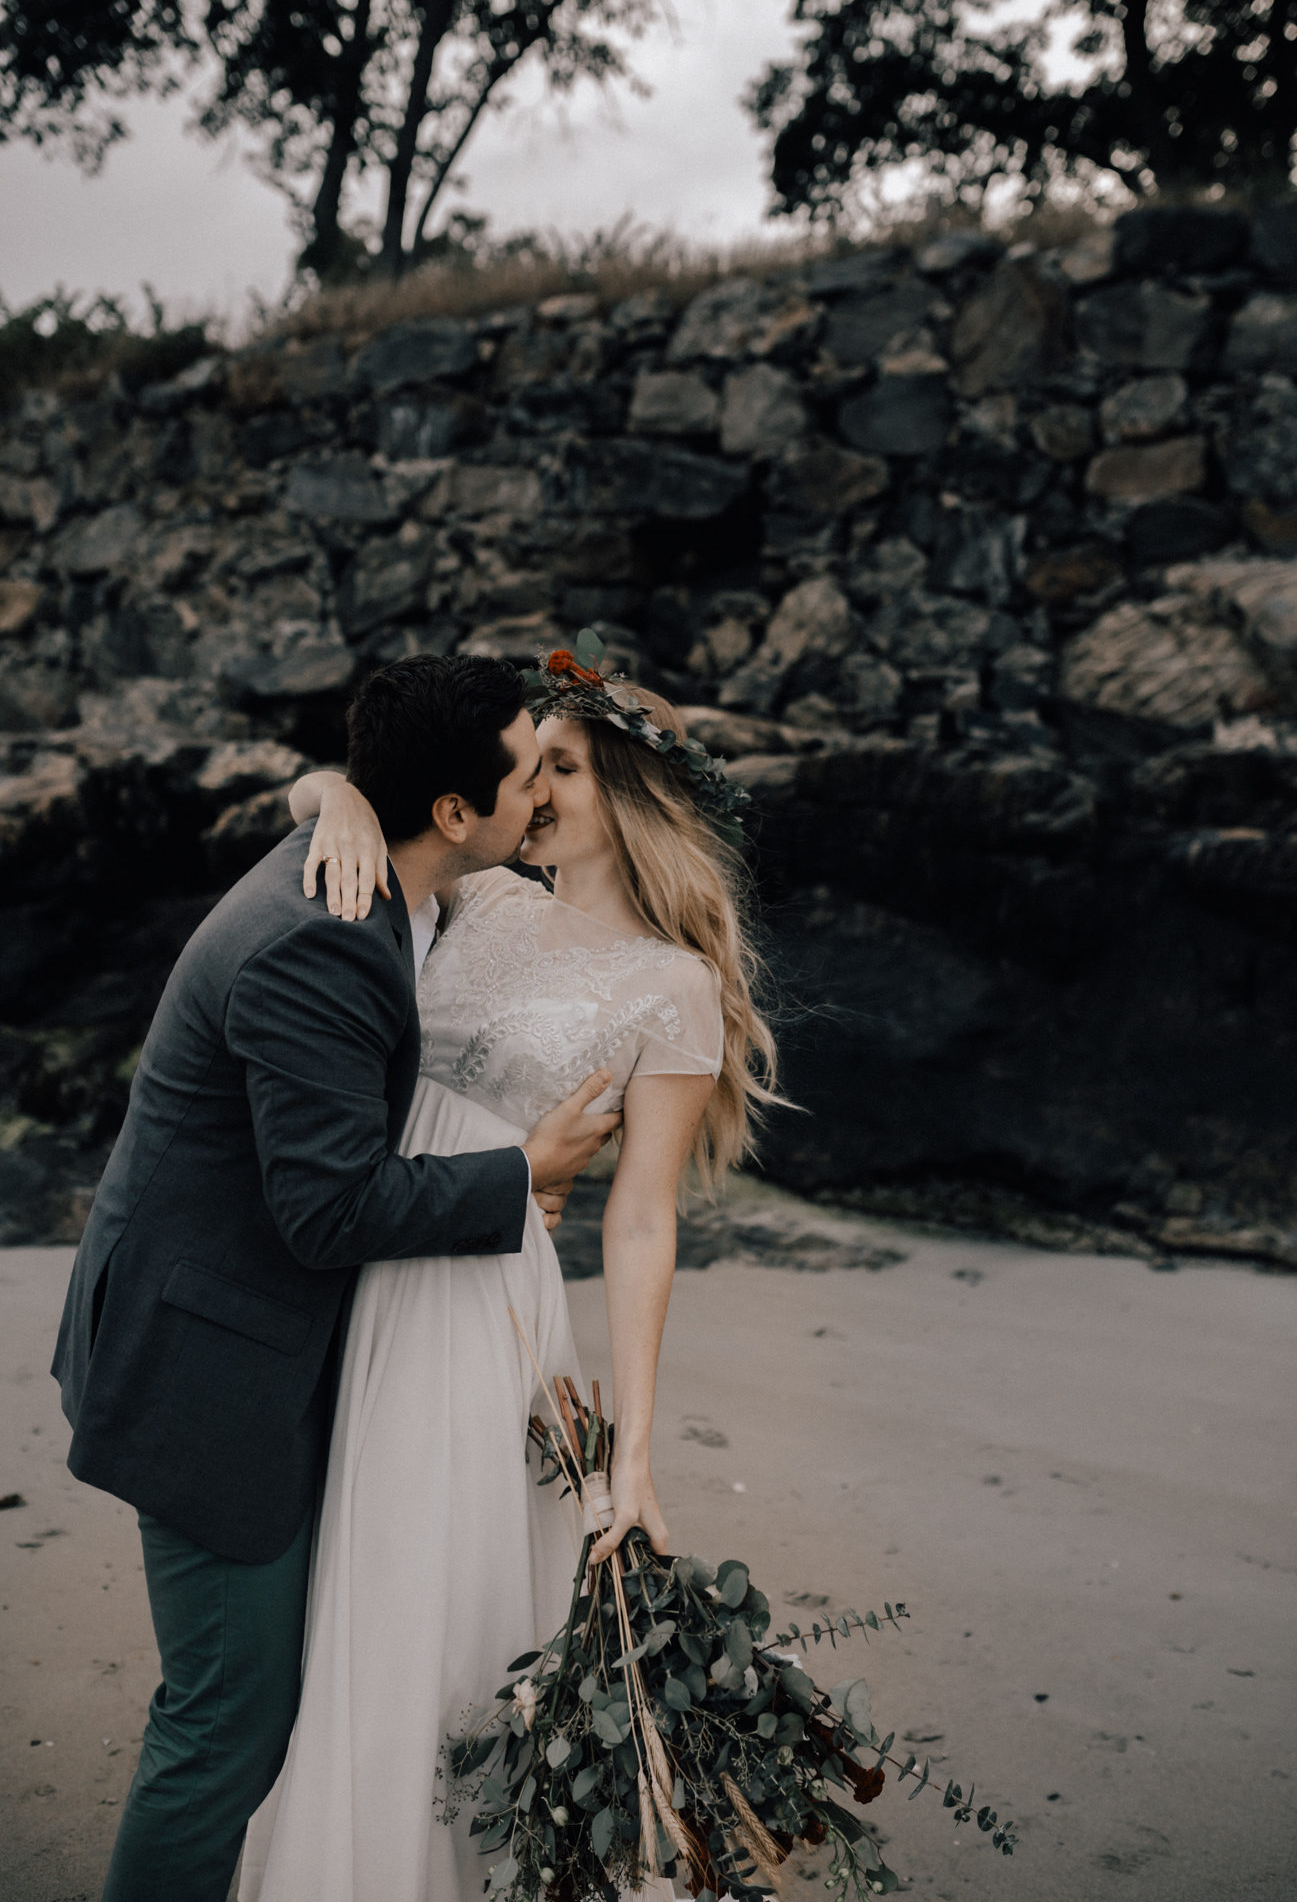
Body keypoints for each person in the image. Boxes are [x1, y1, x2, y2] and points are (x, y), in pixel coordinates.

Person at [52, 653, 622, 1902]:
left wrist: (332, 789)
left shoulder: (382, 867)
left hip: (240, 1329)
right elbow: (327, 1208)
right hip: (199, 1369)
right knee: (225, 1721)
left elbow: (346, 801)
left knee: (259, 1696)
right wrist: (521, 1172)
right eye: (527, 773)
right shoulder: (326, 942)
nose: (545, 791)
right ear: (455, 815)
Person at [238, 646, 781, 1902]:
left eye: (564, 766)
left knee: (427, 1609)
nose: (532, 782)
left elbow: (640, 1222)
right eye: (529, 763)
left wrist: (633, 1454)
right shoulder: (470, 897)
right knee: (343, 1607)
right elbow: (324, 803)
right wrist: (341, 798)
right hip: (360, 1266)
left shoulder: (674, 985)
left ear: (633, 795)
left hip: (480, 1307)